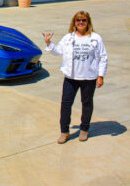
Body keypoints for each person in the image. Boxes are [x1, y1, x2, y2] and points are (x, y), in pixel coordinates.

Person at [42, 11, 107, 143]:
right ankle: (64, 132)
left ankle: (84, 129)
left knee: (87, 103)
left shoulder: (95, 38)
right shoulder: (68, 37)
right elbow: (57, 51)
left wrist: (100, 76)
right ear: (74, 23)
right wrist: (49, 43)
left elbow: (103, 58)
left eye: (83, 20)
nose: (81, 23)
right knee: (66, 104)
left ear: (88, 22)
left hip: (88, 77)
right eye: (78, 20)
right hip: (71, 78)